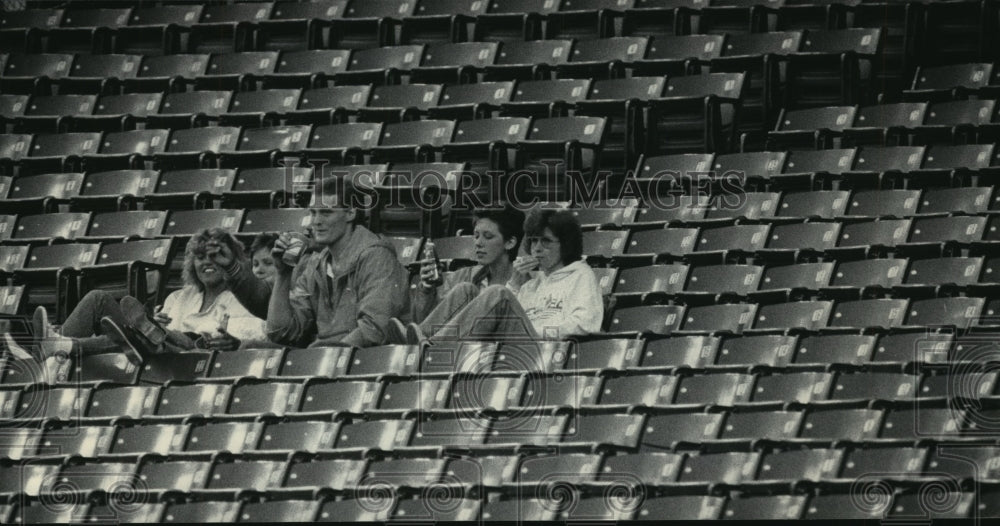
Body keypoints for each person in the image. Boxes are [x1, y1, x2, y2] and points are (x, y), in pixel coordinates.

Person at [1, 228, 269, 363]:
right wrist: (156, 322)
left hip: (192, 357)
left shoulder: (246, 296)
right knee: (98, 299)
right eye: (199, 257)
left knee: (150, 333)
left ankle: (50, 353)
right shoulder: (179, 297)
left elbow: (241, 337)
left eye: (214, 256)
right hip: (155, 352)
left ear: (231, 259)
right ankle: (47, 353)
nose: (206, 263)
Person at [387, 208, 603, 344]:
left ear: (565, 244)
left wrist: (540, 331)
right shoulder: (534, 281)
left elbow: (585, 324)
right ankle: (416, 341)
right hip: (513, 343)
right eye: (534, 241)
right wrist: (516, 286)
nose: (537, 249)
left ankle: (435, 348)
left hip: (544, 347)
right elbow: (511, 316)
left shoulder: (581, 275)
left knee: (497, 292)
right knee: (466, 289)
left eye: (545, 242)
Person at [264, 173, 411, 348]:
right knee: (249, 348)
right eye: (313, 213)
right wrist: (283, 273)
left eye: (326, 213)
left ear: (350, 213)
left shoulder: (377, 256)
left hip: (361, 360)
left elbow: (375, 328)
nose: (316, 222)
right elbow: (280, 332)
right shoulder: (316, 263)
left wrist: (327, 355)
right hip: (323, 358)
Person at [408, 205, 525, 324]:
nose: (478, 243)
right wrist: (427, 289)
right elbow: (427, 324)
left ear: (510, 242)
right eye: (476, 236)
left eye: (488, 236)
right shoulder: (459, 278)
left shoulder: (526, 284)